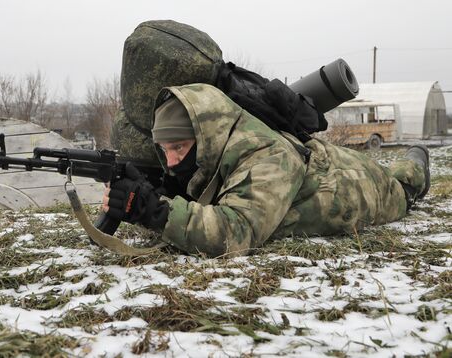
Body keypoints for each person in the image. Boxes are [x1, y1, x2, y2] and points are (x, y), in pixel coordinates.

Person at [102, 84, 430, 257]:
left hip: (369, 187)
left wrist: (155, 211)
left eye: (179, 148)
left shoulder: (265, 155)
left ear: (207, 137)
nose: (171, 161)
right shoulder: (218, 152)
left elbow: (237, 231)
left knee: (407, 183)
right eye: (164, 150)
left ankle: (418, 157)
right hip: (324, 164)